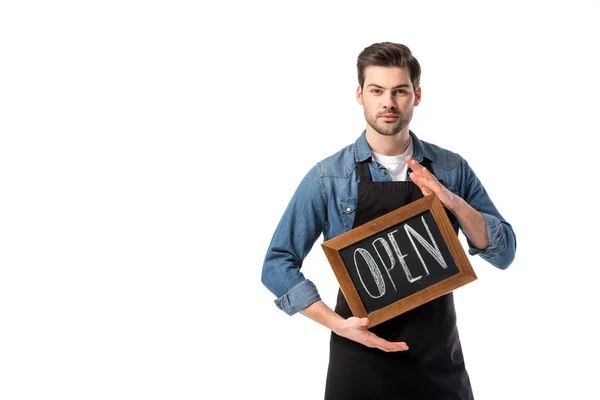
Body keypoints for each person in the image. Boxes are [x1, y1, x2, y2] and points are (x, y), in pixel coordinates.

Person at [261, 42, 516, 399]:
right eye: (377, 90)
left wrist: (452, 202)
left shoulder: (451, 169)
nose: (388, 102)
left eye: (400, 91)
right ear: (360, 95)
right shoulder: (329, 177)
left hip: (438, 361)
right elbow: (277, 264)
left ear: (417, 95)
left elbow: (503, 253)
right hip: (358, 359)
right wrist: (337, 325)